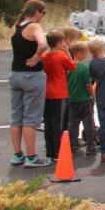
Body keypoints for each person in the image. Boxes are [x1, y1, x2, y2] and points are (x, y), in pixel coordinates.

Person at [9, 0, 51, 168]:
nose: (43, 16)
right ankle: (31, 157)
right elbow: (43, 43)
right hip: (31, 76)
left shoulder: (17, 26)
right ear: (36, 12)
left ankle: (17, 154)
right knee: (31, 118)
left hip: (15, 74)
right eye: (43, 13)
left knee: (16, 116)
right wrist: (37, 56)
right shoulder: (34, 26)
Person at [41, 29, 76, 160]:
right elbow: (73, 67)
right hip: (59, 93)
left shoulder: (44, 56)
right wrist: (67, 52)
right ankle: (58, 150)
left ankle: (50, 150)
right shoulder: (61, 56)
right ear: (59, 43)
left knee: (49, 122)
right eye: (62, 42)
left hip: (47, 92)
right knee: (59, 123)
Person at [67, 41, 96, 154]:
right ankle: (91, 145)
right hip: (84, 99)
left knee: (73, 123)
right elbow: (88, 85)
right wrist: (93, 96)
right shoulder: (84, 68)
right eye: (85, 53)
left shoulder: (69, 67)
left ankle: (72, 142)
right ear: (78, 53)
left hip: (72, 99)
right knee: (88, 122)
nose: (86, 55)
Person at [60, 26, 85, 133]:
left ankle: (65, 135)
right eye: (76, 41)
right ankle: (64, 136)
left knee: (67, 114)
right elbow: (73, 67)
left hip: (66, 87)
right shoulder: (65, 52)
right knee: (66, 114)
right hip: (65, 88)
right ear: (68, 39)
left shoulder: (66, 50)